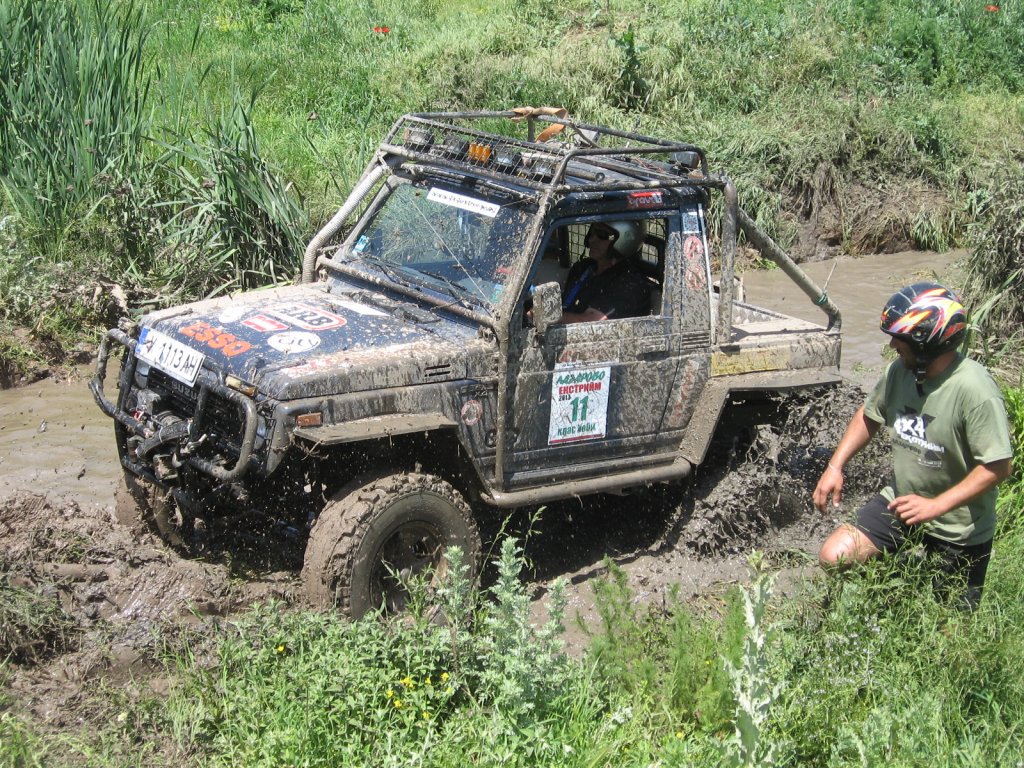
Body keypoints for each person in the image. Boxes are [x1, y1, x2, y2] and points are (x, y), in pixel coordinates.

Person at [813, 282, 1013, 609]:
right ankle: (897, 593)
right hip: (903, 504)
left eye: (899, 338)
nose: (893, 345)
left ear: (926, 342)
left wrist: (935, 506)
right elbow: (870, 414)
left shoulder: (974, 390)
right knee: (834, 556)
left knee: (950, 638)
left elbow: (998, 467)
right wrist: (836, 465)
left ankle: (915, 597)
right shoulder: (900, 372)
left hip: (958, 527)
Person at [559, 220, 651, 323]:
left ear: (625, 240)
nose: (592, 239)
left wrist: (548, 319)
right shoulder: (583, 268)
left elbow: (590, 323)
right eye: (592, 232)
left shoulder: (629, 285)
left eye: (602, 235)